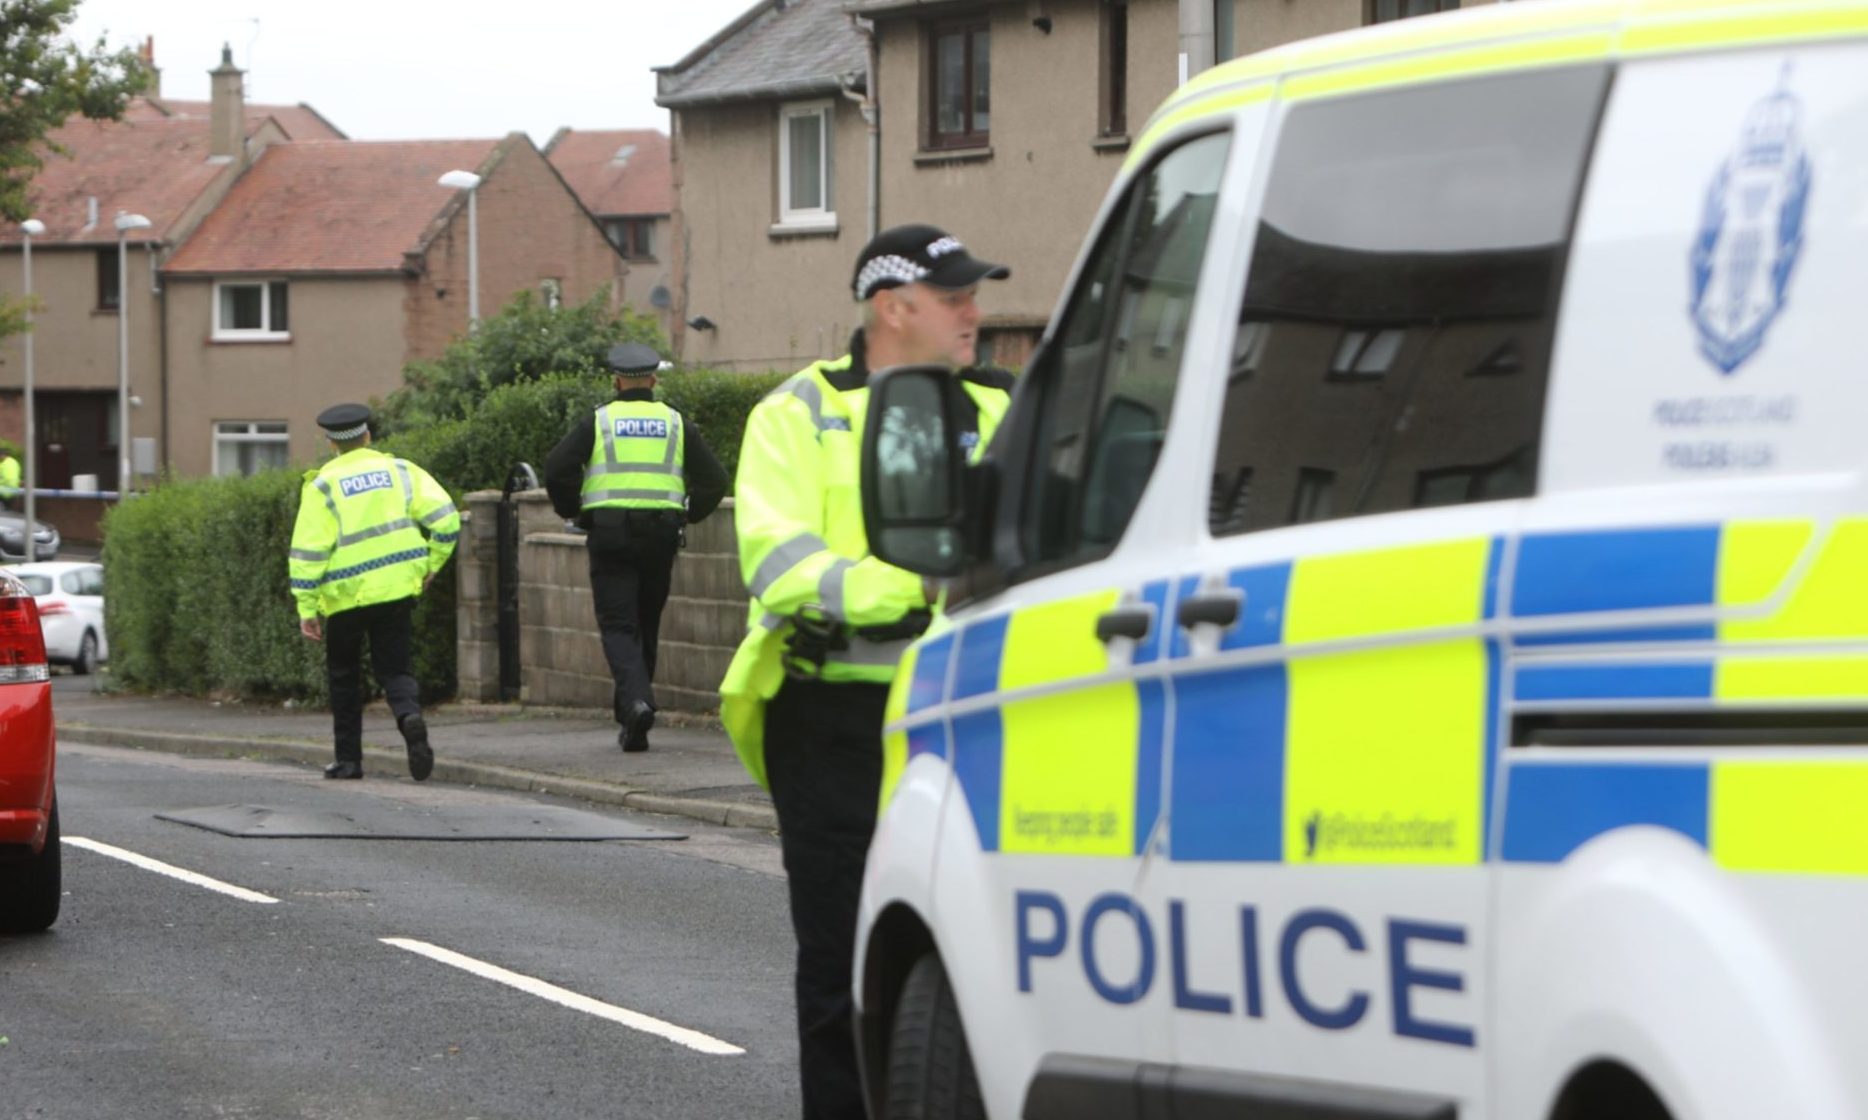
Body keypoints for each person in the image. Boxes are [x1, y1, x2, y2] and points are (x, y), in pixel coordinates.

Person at [719, 224, 1014, 1120]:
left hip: (974, 711)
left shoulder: (1003, 407)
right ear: (893, 307)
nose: (974, 313)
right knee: (844, 966)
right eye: (954, 297)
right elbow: (778, 556)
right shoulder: (796, 414)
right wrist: (917, 586)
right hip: (837, 719)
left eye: (973, 294)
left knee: (983, 957)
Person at [544, 342, 727, 751]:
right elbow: (715, 479)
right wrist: (688, 514)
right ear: (654, 380)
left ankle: (637, 703)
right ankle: (632, 720)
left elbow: (556, 466)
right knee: (645, 622)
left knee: (618, 626)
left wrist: (574, 510)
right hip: (661, 532)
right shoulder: (677, 424)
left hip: (610, 533)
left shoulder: (600, 421)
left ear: (616, 381)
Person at [288, 404, 459, 781]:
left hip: (345, 597)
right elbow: (446, 518)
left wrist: (307, 606)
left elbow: (309, 552)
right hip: (396, 589)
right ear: (368, 436)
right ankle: (408, 716)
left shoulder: (322, 485)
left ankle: (349, 761)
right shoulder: (400, 471)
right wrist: (431, 564)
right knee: (396, 668)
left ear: (331, 443)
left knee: (344, 676)